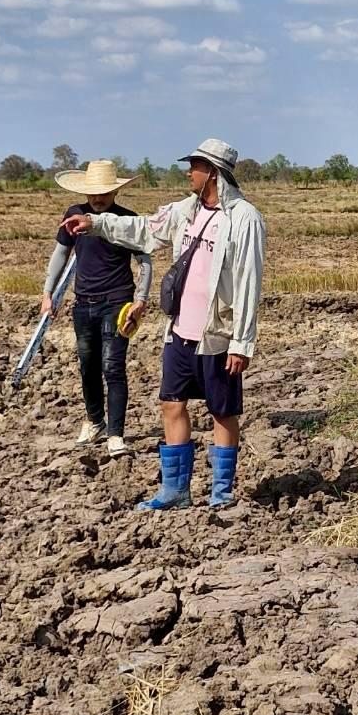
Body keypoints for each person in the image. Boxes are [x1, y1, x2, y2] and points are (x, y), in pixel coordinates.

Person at [63, 138, 265, 512]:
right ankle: (175, 490)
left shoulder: (243, 219)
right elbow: (143, 230)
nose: (189, 172)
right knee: (171, 404)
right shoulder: (184, 211)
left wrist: (242, 342)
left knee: (222, 411)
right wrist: (95, 223)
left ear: (213, 172)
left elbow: (250, 280)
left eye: (195, 166)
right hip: (179, 332)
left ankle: (221, 494)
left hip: (217, 335)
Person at [43, 159, 153, 458]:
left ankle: (116, 435)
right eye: (93, 193)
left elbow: (144, 261)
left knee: (113, 367)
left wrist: (141, 300)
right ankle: (94, 422)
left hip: (118, 302)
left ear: (115, 192)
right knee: (87, 366)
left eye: (103, 193)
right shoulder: (74, 215)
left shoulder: (128, 220)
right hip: (83, 304)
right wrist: (48, 293)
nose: (98, 198)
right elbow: (61, 253)